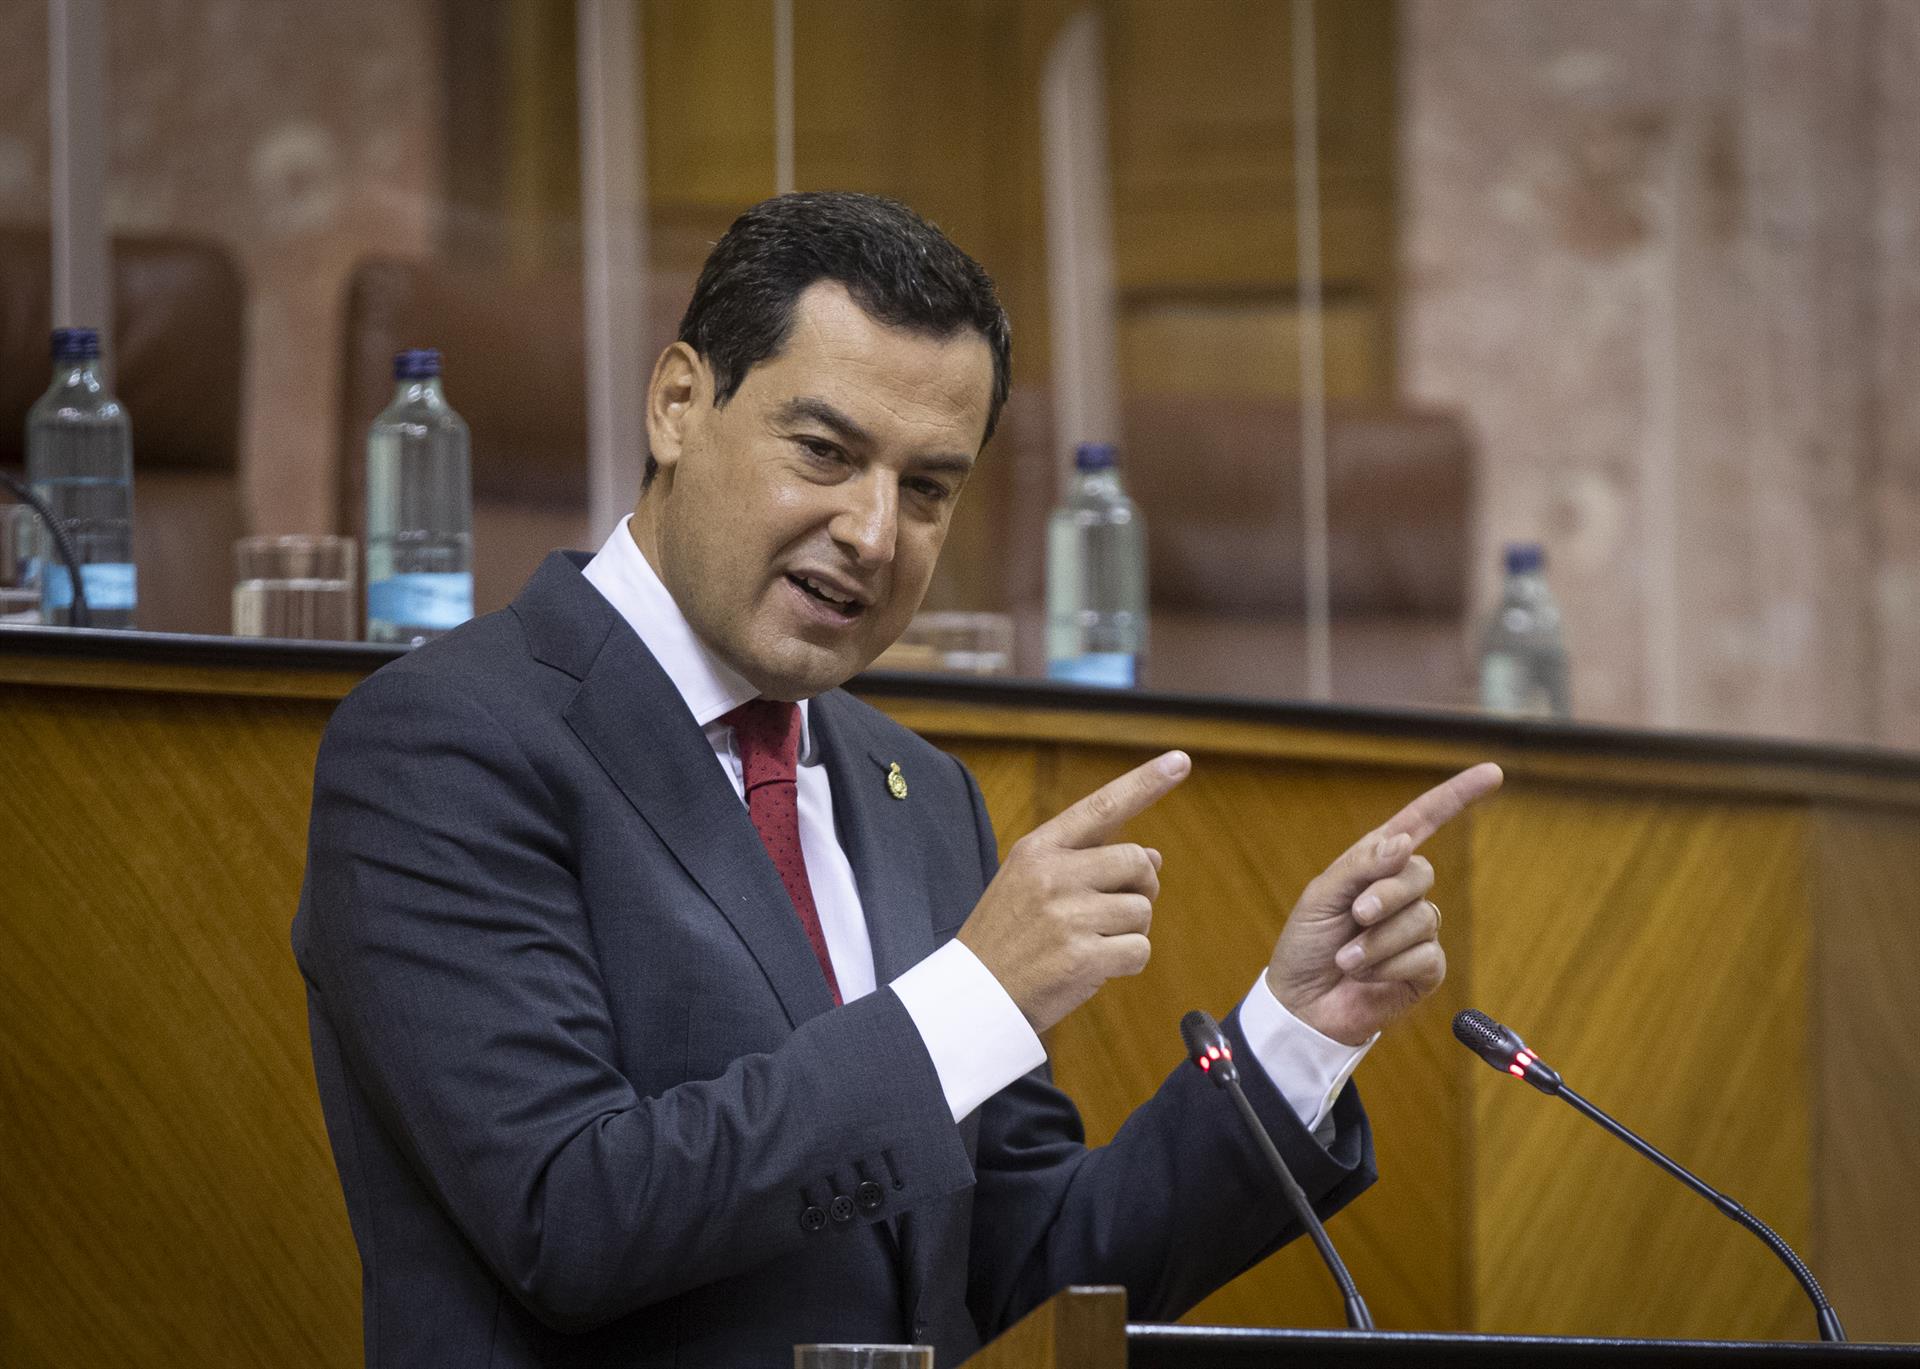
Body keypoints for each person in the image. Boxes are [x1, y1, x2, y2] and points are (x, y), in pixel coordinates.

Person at [293, 190, 1501, 1368]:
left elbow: (1028, 1271)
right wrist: (971, 1000)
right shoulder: (444, 741)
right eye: (824, 452)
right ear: (676, 404)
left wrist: (1294, 1033)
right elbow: (571, 1213)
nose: (875, 532)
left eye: (928, 487)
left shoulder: (913, 791)